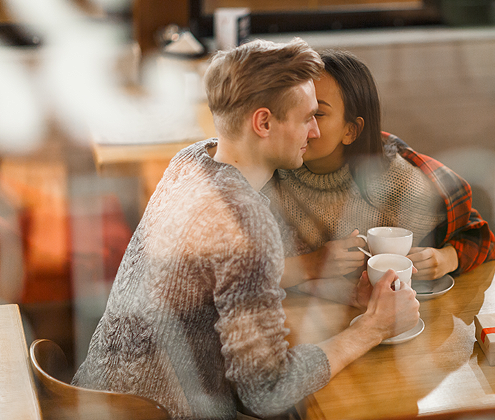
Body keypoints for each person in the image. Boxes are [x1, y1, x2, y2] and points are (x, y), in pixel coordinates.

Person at [72, 39, 420, 420]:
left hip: (96, 393)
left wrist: (325, 282)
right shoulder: (245, 219)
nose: (316, 133)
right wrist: (373, 327)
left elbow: (220, 276)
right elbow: (267, 391)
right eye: (307, 118)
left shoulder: (191, 160)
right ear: (264, 122)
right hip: (156, 412)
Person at [263, 49, 495, 300]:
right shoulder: (271, 170)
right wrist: (311, 264)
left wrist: (447, 258)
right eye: (294, 108)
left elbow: (480, 237)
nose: (300, 123)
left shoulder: (400, 183)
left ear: (351, 131)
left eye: (317, 114)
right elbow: (232, 272)